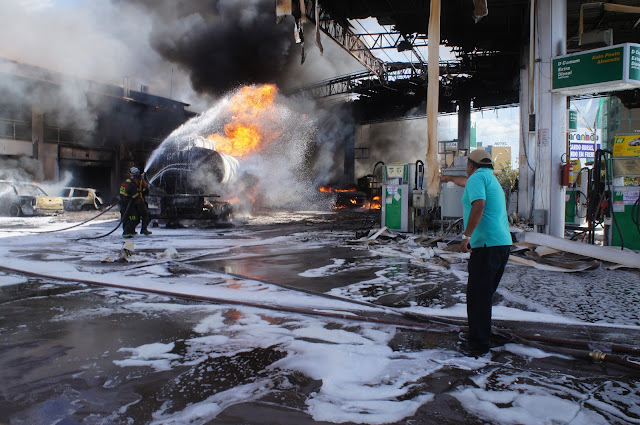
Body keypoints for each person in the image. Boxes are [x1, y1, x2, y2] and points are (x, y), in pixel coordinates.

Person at [440, 150, 512, 356]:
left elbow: (478, 205)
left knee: (477, 297)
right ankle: (480, 336)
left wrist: (467, 236)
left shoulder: (476, 180)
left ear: (471, 165)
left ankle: (478, 346)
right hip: (501, 244)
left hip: (487, 245)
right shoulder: (488, 178)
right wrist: (448, 178)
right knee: (483, 296)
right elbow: (465, 182)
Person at [119, 167, 152, 238]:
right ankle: (127, 232)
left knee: (127, 219)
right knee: (134, 219)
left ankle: (130, 231)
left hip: (124, 205)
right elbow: (135, 197)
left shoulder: (125, 183)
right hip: (129, 205)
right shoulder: (132, 185)